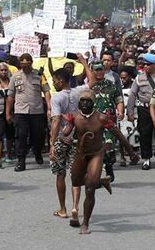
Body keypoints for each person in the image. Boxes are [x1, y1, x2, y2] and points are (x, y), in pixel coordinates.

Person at [48, 54, 93, 222]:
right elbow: (92, 80)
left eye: (54, 80)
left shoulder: (57, 97)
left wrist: (53, 143)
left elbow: (56, 120)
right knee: (76, 174)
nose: (53, 83)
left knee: (60, 174)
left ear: (60, 80)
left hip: (62, 139)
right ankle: (75, 206)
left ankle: (63, 208)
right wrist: (83, 62)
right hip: (77, 139)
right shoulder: (78, 92)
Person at [69, 89, 114, 234]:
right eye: (82, 101)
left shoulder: (101, 117)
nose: (85, 103)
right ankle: (102, 182)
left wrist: (131, 152)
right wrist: (63, 134)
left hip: (96, 153)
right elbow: (66, 131)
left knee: (89, 189)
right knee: (76, 181)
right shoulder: (74, 116)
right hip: (80, 153)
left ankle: (85, 224)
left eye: (88, 101)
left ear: (93, 103)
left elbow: (117, 133)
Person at [6, 53, 51, 172]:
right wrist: (7, 113)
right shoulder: (15, 77)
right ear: (20, 64)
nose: (25, 66)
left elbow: (46, 91)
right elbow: (10, 96)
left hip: (37, 111)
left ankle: (37, 152)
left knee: (38, 136)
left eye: (27, 64)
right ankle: (21, 161)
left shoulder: (39, 75)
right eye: (23, 64)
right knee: (21, 136)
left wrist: (50, 108)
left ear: (31, 63)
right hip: (21, 112)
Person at [127, 53, 155, 170]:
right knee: (145, 134)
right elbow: (132, 94)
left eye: (148, 64)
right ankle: (146, 159)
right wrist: (130, 111)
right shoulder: (139, 78)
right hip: (144, 109)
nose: (145, 66)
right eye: (144, 64)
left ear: (154, 65)